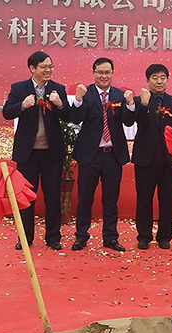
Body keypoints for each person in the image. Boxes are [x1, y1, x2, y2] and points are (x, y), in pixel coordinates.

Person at [2, 50, 70, 250]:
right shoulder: (19, 88)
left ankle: (53, 237)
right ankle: (25, 237)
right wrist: (22, 106)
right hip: (28, 153)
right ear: (32, 68)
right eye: (44, 67)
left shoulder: (58, 89)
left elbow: (69, 116)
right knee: (25, 197)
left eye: (50, 66)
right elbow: (7, 112)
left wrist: (60, 104)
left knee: (53, 196)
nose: (48, 70)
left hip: (51, 153)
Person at [69, 57, 135, 252]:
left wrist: (130, 105)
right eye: (100, 72)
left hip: (112, 155)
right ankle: (81, 236)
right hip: (90, 155)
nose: (104, 76)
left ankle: (110, 237)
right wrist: (78, 100)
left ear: (112, 74)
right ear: (94, 73)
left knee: (110, 199)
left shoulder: (120, 95)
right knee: (85, 199)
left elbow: (128, 122)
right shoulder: (86, 94)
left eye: (107, 72)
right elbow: (76, 119)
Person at [127, 64, 172, 250]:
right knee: (144, 199)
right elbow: (137, 120)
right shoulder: (140, 101)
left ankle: (164, 237)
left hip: (168, 161)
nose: (159, 81)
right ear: (148, 81)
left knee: (166, 201)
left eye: (163, 77)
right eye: (154, 78)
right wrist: (144, 104)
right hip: (145, 160)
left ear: (167, 80)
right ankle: (144, 236)